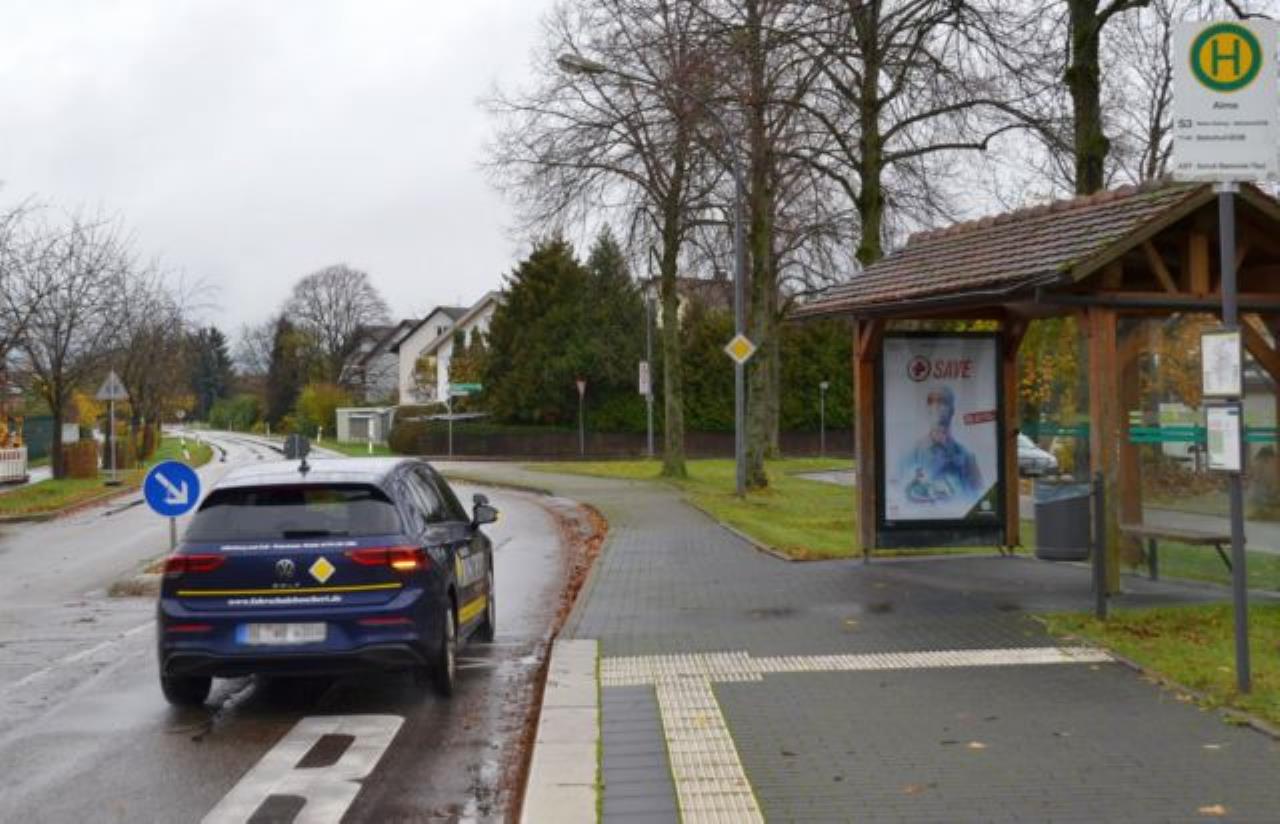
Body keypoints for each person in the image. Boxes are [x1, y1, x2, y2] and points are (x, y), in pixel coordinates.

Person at [899, 385, 982, 504]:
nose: (936, 406)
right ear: (927, 410)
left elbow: (977, 498)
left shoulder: (967, 457)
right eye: (931, 402)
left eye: (942, 401)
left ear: (952, 410)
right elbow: (899, 493)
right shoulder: (910, 454)